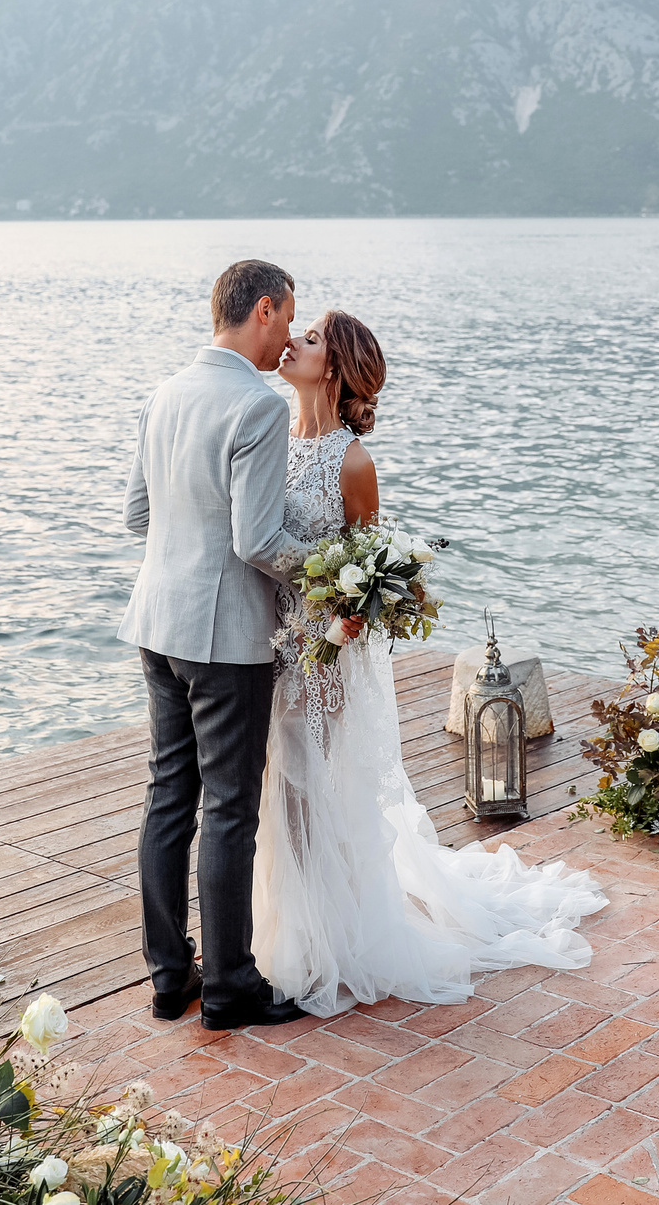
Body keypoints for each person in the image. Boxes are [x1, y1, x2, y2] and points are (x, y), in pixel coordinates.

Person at [252, 309, 605, 1016]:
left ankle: (325, 936)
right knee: (275, 788)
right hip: (269, 644)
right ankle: (279, 926)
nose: (292, 342)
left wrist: (343, 623)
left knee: (314, 786)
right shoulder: (275, 438)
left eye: (312, 338)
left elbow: (368, 567)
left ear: (335, 368)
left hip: (324, 655)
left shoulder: (352, 461)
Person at [119, 259, 315, 1029]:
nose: (290, 335)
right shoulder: (257, 407)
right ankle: (230, 986)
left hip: (156, 624)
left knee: (170, 794)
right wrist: (333, 565)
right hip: (224, 636)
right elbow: (258, 538)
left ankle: (172, 977)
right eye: (288, 316)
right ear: (262, 309)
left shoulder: (160, 394)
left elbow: (138, 517)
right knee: (231, 807)